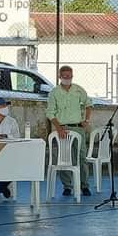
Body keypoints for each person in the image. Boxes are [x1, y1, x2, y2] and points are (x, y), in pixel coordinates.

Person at [46, 65, 93, 197]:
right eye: (64, 76)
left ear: (72, 76)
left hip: (78, 128)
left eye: (69, 76)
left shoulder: (78, 90)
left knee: (81, 157)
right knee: (64, 158)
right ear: (59, 76)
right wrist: (59, 128)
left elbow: (89, 104)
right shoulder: (54, 92)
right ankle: (67, 186)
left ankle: (84, 186)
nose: (67, 78)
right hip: (62, 129)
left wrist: (86, 120)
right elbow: (50, 113)